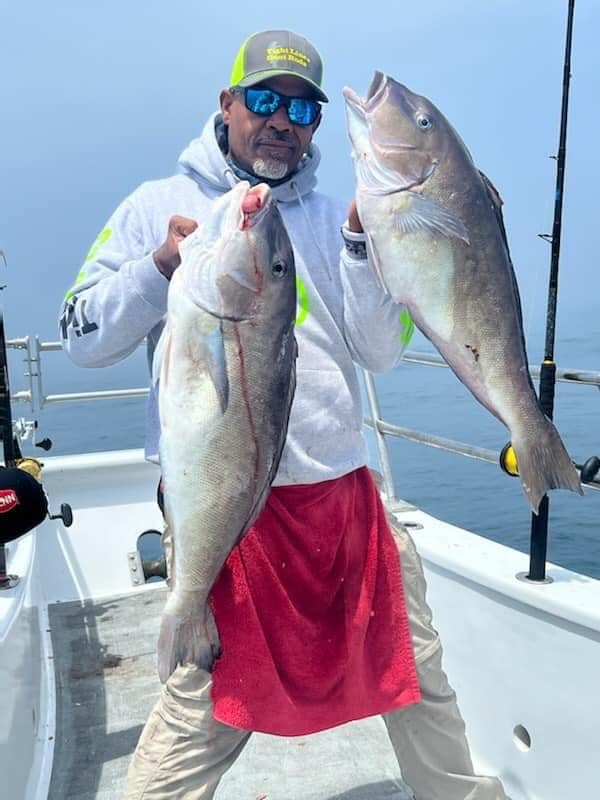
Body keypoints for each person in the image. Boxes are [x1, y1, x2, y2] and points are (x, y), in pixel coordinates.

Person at [60, 29, 508, 800]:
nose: (282, 119)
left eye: (302, 108)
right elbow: (80, 338)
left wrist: (363, 252)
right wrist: (158, 267)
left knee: (413, 668)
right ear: (227, 104)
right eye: (264, 99)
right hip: (224, 505)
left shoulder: (345, 215)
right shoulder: (155, 208)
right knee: (206, 698)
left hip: (342, 495)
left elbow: (381, 353)